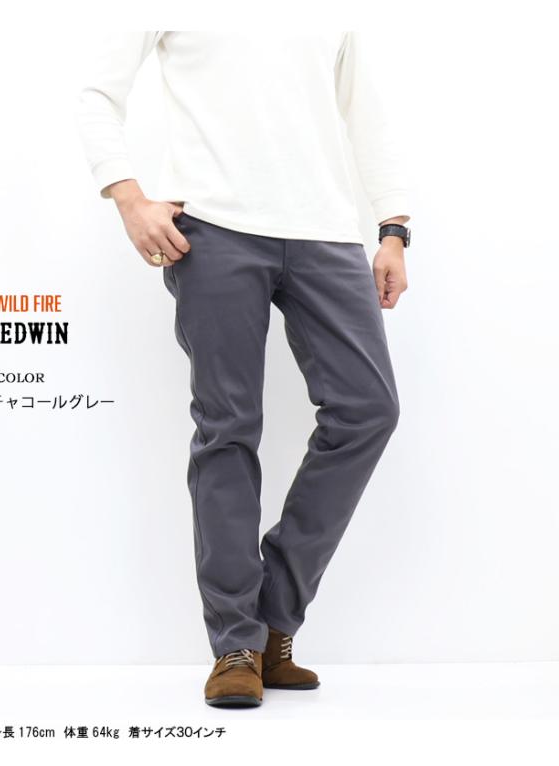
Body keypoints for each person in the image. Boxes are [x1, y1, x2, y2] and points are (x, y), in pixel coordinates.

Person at [76, 30, 411, 708]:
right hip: (214, 230)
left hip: (326, 231)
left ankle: (273, 620)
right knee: (228, 427)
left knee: (368, 409)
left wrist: (393, 228)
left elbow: (365, 112)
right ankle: (236, 642)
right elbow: (96, 94)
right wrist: (129, 198)